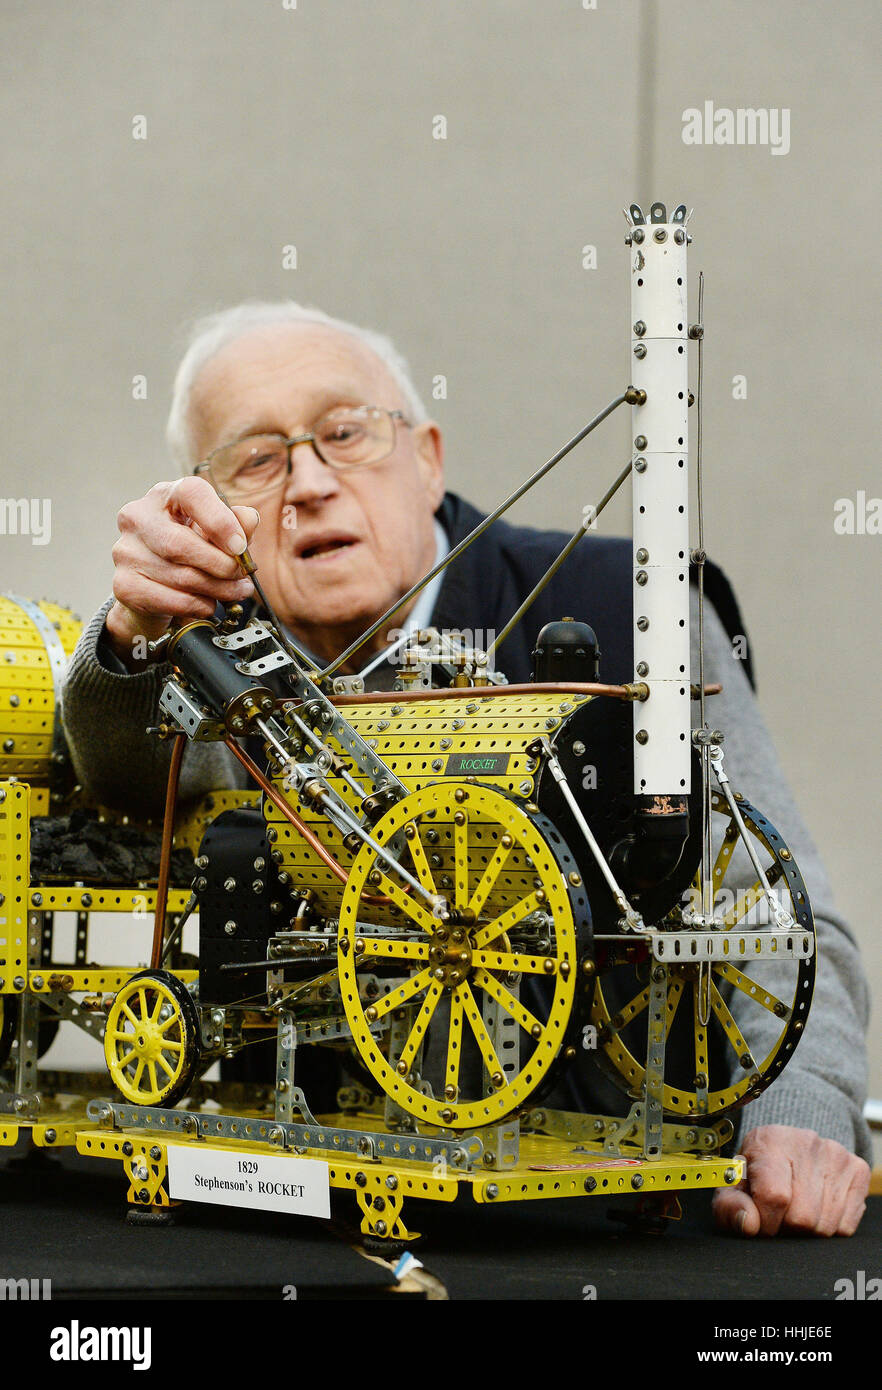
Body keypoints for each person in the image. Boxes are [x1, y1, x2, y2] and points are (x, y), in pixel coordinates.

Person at [61, 301, 872, 1238]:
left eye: (343, 433)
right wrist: (131, 639)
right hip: (299, 1216)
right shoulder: (215, 654)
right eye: (257, 459)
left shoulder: (634, 603)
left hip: (611, 1216)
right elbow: (120, 775)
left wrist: (801, 1111)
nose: (311, 483)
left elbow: (770, 907)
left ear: (428, 457)